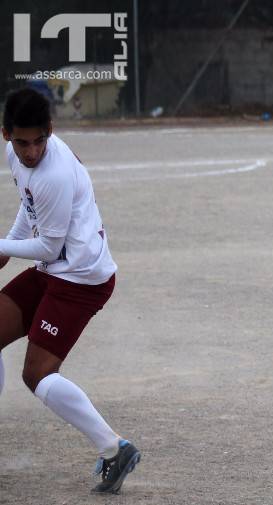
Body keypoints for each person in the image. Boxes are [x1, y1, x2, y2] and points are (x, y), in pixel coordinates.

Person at [0, 88, 140, 493]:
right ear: (6, 134)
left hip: (81, 279)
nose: (31, 151)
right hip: (54, 269)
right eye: (22, 141)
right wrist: (9, 243)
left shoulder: (55, 173)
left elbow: (47, 246)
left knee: (37, 375)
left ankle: (115, 448)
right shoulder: (17, 155)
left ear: (50, 130)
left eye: (39, 140)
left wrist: (2, 248)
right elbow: (29, 207)